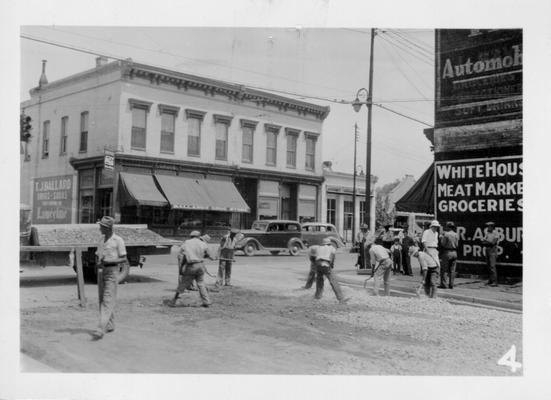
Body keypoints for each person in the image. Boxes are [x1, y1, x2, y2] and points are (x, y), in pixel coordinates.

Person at [93, 216, 127, 340]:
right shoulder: (101, 239)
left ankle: (101, 327)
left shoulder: (118, 240)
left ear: (108, 228)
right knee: (103, 299)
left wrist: (111, 260)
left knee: (107, 299)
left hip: (112, 271)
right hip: (102, 271)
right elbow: (98, 255)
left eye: (101, 227)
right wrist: (98, 261)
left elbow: (124, 258)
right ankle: (110, 325)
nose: (99, 228)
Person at [170, 230, 216, 307]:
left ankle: (174, 301)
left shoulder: (186, 243)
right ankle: (207, 301)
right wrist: (211, 257)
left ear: (191, 236)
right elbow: (209, 255)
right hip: (200, 265)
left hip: (191, 265)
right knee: (201, 284)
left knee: (183, 283)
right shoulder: (203, 243)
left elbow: (182, 256)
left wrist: (181, 268)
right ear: (199, 236)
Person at [314, 238, 348, 304]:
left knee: (319, 281)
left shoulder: (319, 248)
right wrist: (331, 266)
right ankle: (341, 299)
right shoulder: (332, 248)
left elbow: (316, 257)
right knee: (333, 281)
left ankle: (318, 296)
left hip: (318, 264)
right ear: (330, 243)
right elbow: (332, 258)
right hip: (326, 264)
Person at [439, 221, 459, 289]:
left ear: (448, 227)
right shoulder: (456, 234)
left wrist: (441, 237)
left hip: (447, 252)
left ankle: (444, 284)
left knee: (444, 269)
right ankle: (451, 284)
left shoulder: (446, 234)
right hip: (454, 252)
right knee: (452, 270)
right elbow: (457, 245)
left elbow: (443, 244)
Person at [482, 222, 500, 286]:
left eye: (489, 226)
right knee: (488, 266)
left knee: (492, 266)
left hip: (493, 250)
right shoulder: (487, 233)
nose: (487, 228)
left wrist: (487, 242)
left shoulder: (496, 233)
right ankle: (490, 280)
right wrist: (488, 242)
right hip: (487, 249)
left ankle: (495, 282)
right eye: (487, 226)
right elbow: (483, 242)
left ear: (492, 227)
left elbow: (493, 243)